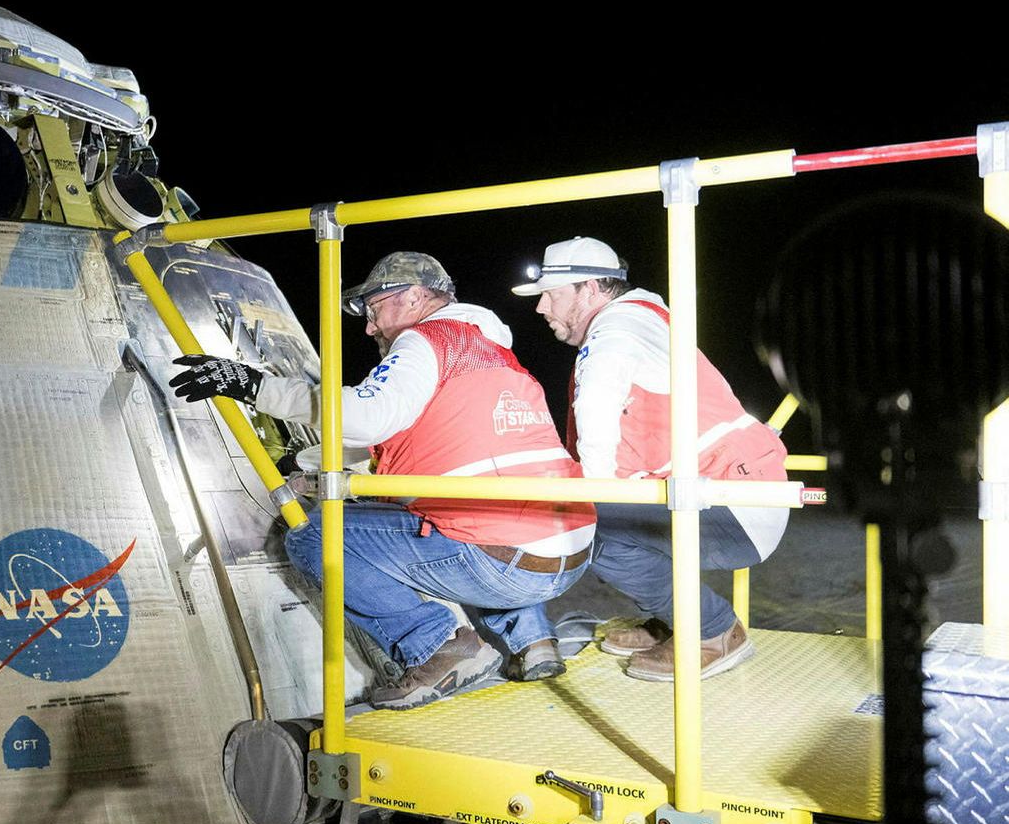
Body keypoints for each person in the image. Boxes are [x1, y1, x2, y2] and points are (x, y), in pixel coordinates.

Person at [170, 252, 595, 709]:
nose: (370, 327)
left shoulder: (426, 340)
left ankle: (436, 645)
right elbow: (397, 445)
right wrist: (311, 464)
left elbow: (368, 418)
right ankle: (534, 644)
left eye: (375, 309)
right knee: (477, 517)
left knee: (314, 537)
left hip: (502, 561)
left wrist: (253, 385)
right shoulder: (490, 352)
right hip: (568, 550)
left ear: (415, 297)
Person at [512, 236, 788, 680]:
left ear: (590, 289)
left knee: (589, 529)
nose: (542, 307)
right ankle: (674, 621)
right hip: (733, 487)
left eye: (551, 294)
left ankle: (713, 631)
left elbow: (597, 406)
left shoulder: (616, 330)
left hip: (732, 498)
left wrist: (589, 496)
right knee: (605, 520)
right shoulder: (643, 320)